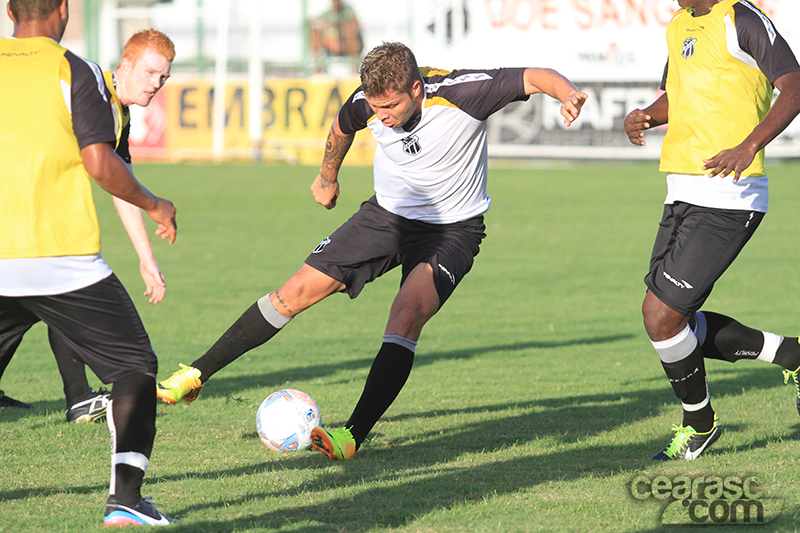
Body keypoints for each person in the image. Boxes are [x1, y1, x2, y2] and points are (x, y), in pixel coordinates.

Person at [157, 41, 587, 460]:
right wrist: (327, 177)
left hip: (450, 230)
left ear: (416, 89)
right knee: (295, 291)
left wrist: (567, 94)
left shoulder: (464, 93)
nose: (382, 117)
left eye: (391, 108)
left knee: (406, 314)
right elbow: (342, 128)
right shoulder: (367, 101)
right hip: (385, 217)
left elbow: (534, 76)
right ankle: (197, 372)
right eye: (376, 109)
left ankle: (351, 435)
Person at [1, 0, 177, 525]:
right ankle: (125, 500)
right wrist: (156, 203)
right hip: (60, 255)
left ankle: (78, 399)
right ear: (62, 11)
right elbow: (101, 165)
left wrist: (145, 255)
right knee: (135, 368)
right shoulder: (75, 71)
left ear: (10, 10)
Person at [624, 0, 800, 461]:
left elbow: (795, 86)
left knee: (659, 316)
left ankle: (699, 426)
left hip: (729, 196)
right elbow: (677, 96)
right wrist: (647, 114)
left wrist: (749, 145)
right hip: (681, 191)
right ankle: (793, 356)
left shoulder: (741, 18)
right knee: (673, 320)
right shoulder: (680, 24)